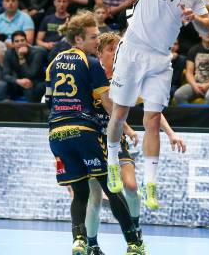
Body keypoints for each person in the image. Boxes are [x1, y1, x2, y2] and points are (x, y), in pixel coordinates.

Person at [105, 0, 209, 209]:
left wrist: (195, 17)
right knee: (120, 113)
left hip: (160, 59)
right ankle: (112, 161)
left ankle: (150, 184)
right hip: (133, 47)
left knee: (152, 120)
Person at [45, 12, 147, 255]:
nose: (95, 41)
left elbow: (48, 100)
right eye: (92, 37)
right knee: (111, 189)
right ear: (78, 38)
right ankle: (134, 242)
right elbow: (109, 104)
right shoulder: (91, 64)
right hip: (85, 132)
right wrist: (124, 125)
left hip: (56, 132)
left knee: (80, 193)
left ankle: (79, 240)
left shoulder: (53, 62)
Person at [85, 30, 186, 253]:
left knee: (130, 186)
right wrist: (129, 128)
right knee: (94, 197)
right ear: (99, 53)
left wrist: (170, 134)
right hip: (93, 141)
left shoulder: (125, 77)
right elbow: (107, 108)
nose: (116, 53)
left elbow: (153, 109)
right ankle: (92, 244)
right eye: (111, 49)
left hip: (115, 141)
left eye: (118, 48)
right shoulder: (91, 75)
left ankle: (135, 232)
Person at [174, 25, 209, 106]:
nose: (208, 34)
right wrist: (194, 85)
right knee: (178, 95)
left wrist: (207, 85)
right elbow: (189, 72)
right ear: (200, 34)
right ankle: (190, 116)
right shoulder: (193, 50)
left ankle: (207, 118)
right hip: (196, 84)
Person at [3, 30, 45, 102]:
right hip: (18, 81)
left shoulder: (37, 53)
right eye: (17, 41)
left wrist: (21, 58)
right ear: (12, 44)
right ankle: (1, 110)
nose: (20, 43)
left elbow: (30, 75)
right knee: (2, 85)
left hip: (36, 82)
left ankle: (32, 111)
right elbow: (5, 75)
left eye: (22, 40)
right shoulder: (9, 53)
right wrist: (17, 81)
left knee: (29, 86)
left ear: (26, 42)